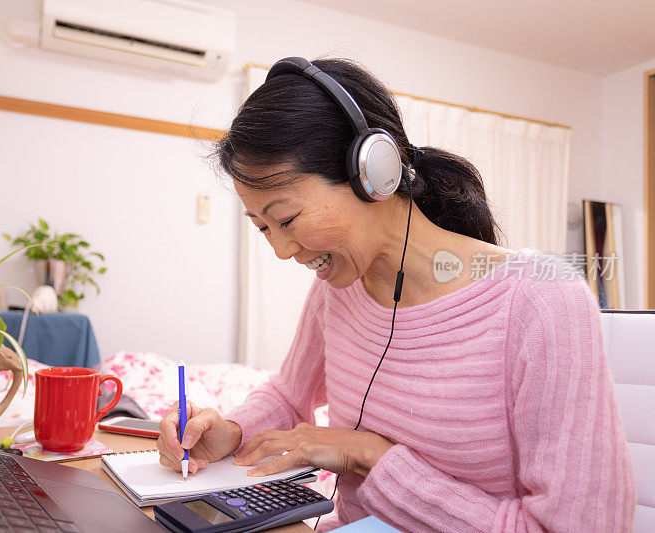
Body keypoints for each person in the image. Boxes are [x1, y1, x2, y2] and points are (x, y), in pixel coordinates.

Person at [156, 57, 635, 532]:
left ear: (375, 174)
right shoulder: (337, 290)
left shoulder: (541, 302)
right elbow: (289, 392)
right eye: (262, 227)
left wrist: (368, 454)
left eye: (286, 220)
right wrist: (232, 431)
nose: (281, 250)